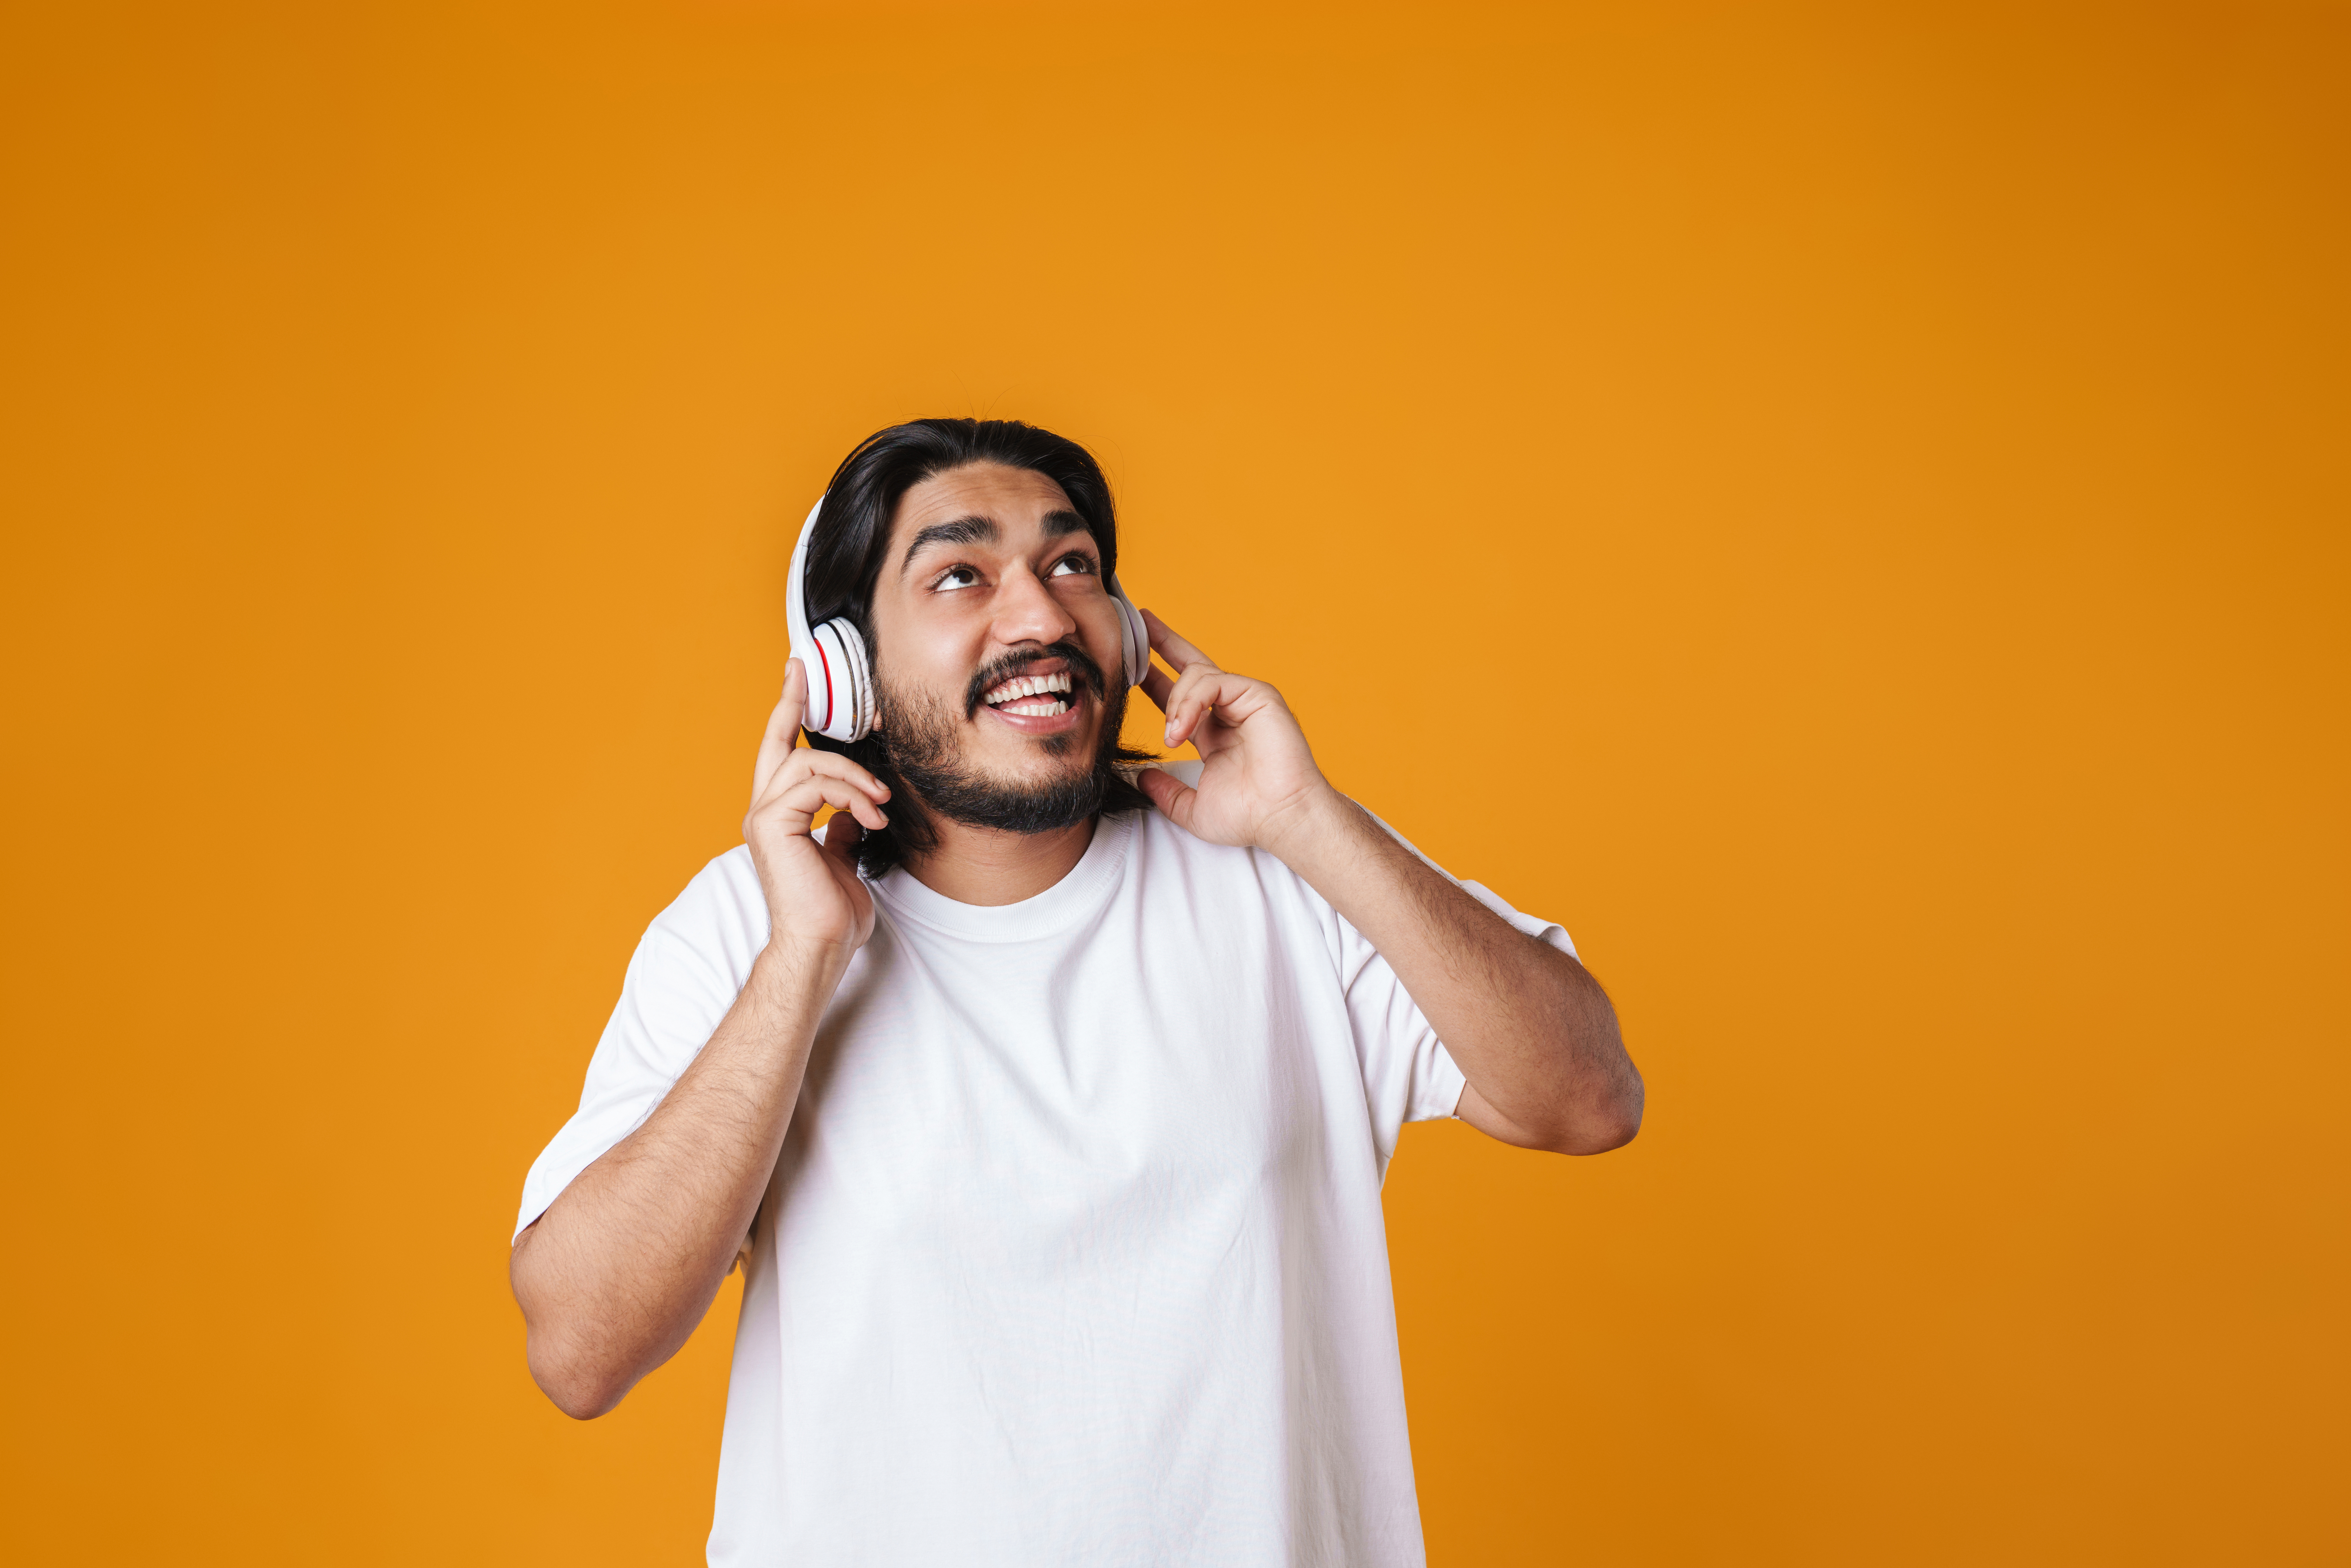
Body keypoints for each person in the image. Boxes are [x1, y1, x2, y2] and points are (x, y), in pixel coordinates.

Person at [509, 418, 1643, 1566]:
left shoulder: (1286, 875)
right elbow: (580, 1351)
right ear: (844, 676)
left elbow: (1589, 1097)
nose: (1042, 616)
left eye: (1073, 567)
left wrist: (1308, 821)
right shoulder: (747, 927)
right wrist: (800, 958)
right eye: (961, 574)